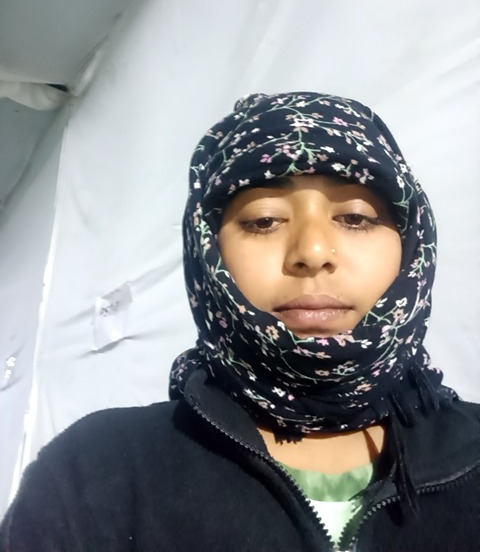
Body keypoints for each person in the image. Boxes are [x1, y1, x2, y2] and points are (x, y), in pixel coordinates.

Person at [1, 92, 479, 552]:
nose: (313, 252)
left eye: (355, 218)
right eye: (264, 221)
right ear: (207, 250)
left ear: (412, 245)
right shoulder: (94, 471)